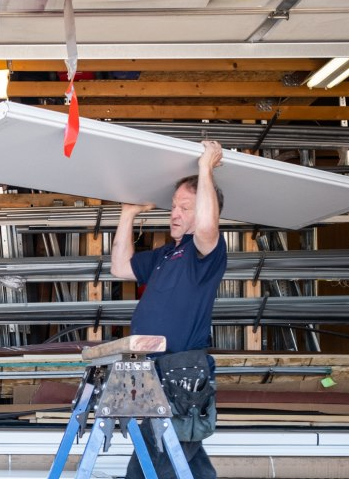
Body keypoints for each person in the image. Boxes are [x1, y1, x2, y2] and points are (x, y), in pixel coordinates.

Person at [110, 140, 227, 479]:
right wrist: (128, 214)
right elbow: (120, 267)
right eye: (174, 206)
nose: (174, 213)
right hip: (152, 368)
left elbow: (207, 227)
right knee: (179, 452)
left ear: (203, 210)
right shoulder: (165, 255)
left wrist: (204, 168)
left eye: (185, 207)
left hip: (181, 369)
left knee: (160, 457)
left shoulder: (204, 253)